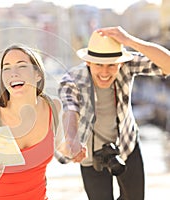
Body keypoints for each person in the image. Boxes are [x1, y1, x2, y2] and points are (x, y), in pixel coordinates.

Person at [58, 26, 170, 200]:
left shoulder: (127, 66)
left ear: (120, 62)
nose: (104, 72)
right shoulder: (72, 79)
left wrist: (131, 41)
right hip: (90, 154)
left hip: (126, 143)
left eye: (111, 65)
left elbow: (168, 64)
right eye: (98, 65)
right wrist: (71, 139)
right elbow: (70, 111)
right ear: (88, 62)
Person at [0, 44, 64, 200]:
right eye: (6, 68)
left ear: (38, 74)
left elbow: (60, 145)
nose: (13, 73)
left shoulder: (53, 108)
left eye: (21, 66)